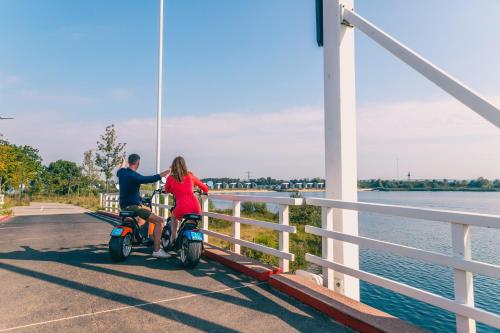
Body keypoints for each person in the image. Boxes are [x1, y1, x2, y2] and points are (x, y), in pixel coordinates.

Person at [117, 153, 171, 258]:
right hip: (133, 207)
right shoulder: (135, 176)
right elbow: (151, 178)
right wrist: (167, 172)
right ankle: (157, 250)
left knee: (145, 209)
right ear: (137, 163)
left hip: (123, 205)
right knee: (159, 221)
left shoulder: (121, 173)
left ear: (129, 162)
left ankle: (147, 236)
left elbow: (121, 168)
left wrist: (123, 162)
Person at [164, 156, 208, 243]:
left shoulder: (170, 178)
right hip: (195, 206)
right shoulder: (190, 176)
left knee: (173, 216)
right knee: (191, 223)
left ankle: (173, 236)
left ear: (173, 166)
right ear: (184, 165)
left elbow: (167, 190)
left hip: (181, 207)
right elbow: (205, 188)